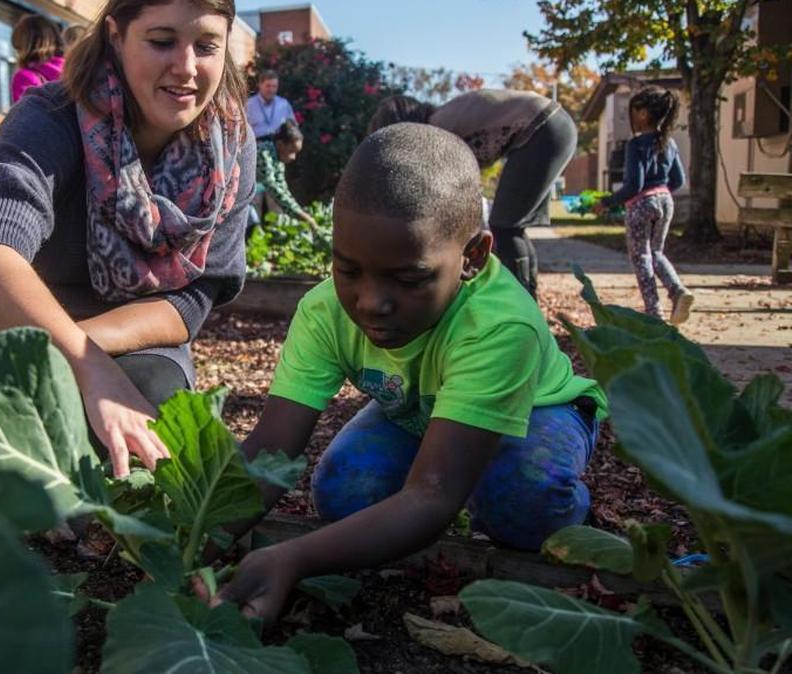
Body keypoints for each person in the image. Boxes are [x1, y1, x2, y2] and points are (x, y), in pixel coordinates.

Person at [209, 124, 605, 624]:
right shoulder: (324, 312)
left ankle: (580, 516)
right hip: (421, 408)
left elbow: (432, 494)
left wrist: (293, 557)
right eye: (347, 270)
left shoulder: (502, 326)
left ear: (474, 257)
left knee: (523, 500)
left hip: (541, 410)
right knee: (344, 493)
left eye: (410, 278)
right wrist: (203, 534)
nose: (371, 302)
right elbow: (271, 447)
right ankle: (456, 468)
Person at [0, 0, 255, 478]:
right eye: (161, 41)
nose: (186, 67)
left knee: (157, 411)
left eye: (206, 46)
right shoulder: (50, 118)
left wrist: (83, 354)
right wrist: (83, 365)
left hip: (138, 339)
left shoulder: (232, 145)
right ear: (116, 35)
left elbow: (193, 299)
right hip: (16, 318)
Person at [368, 90, 578, 298]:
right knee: (512, 227)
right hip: (553, 125)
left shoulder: (437, 131)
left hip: (543, 129)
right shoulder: (444, 118)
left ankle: (520, 299)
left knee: (505, 226)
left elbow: (449, 193)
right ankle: (527, 295)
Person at [595, 87, 692, 325]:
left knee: (641, 258)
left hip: (641, 206)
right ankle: (677, 291)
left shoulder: (636, 145)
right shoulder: (669, 143)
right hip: (665, 201)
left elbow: (633, 185)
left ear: (643, 113)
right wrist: (659, 190)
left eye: (634, 110)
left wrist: (606, 202)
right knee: (657, 252)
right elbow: (678, 180)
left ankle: (654, 314)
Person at [253, 119, 313, 230]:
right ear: (280, 144)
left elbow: (282, 188)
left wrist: (299, 212)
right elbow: (273, 188)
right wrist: (301, 216)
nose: (293, 157)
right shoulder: (264, 153)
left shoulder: (277, 157)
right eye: (291, 151)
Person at [10, 15, 65, 104]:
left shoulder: (24, 77)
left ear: (25, 47)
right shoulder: (73, 70)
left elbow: (24, 116)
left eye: (18, 49)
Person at [246, 70, 296, 139]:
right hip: (256, 145)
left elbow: (293, 127)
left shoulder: (284, 104)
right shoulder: (249, 105)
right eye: (268, 86)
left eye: (274, 86)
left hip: (280, 146)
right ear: (260, 85)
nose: (271, 90)